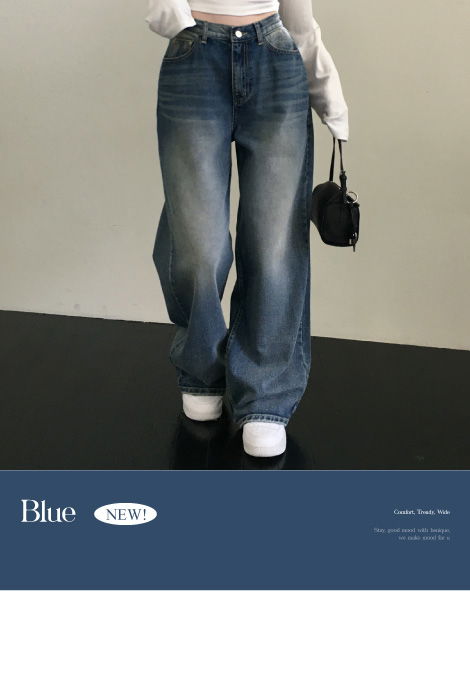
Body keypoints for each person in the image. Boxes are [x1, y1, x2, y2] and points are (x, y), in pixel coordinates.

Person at [145, 1, 349, 457]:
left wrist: (328, 92)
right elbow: (162, 12)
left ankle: (265, 396)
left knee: (274, 244)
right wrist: (181, 23)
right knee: (198, 243)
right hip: (193, 58)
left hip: (275, 57)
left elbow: (298, 18)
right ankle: (201, 370)